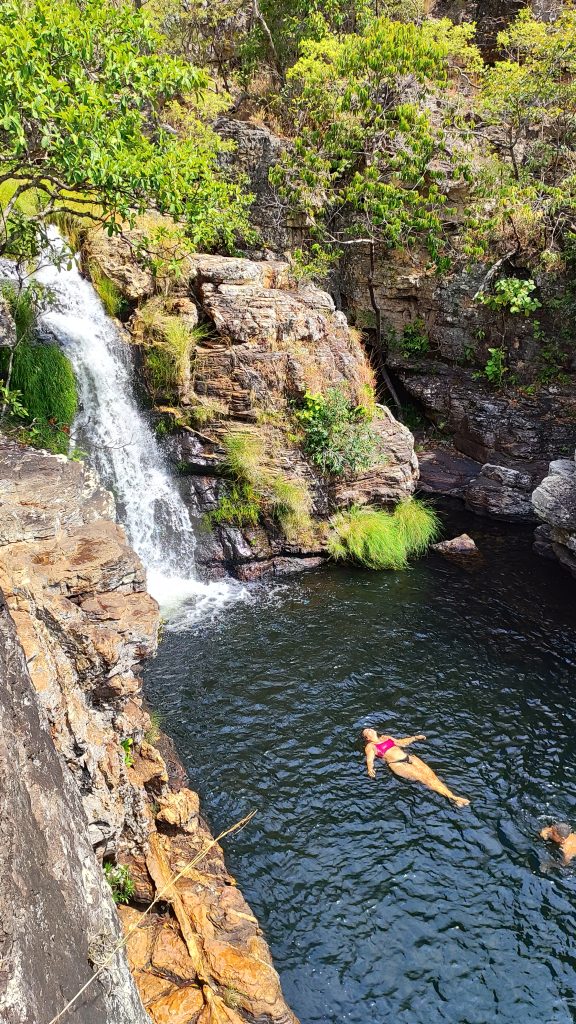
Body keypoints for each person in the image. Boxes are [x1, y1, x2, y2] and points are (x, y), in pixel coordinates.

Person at [362, 728, 470, 808]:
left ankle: (452, 796)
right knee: (425, 779)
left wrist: (414, 738)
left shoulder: (385, 737)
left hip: (409, 758)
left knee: (431, 776)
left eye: (370, 729)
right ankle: (454, 798)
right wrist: (370, 769)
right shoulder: (370, 747)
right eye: (367, 731)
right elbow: (370, 760)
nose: (370, 730)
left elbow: (401, 743)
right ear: (367, 738)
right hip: (398, 764)